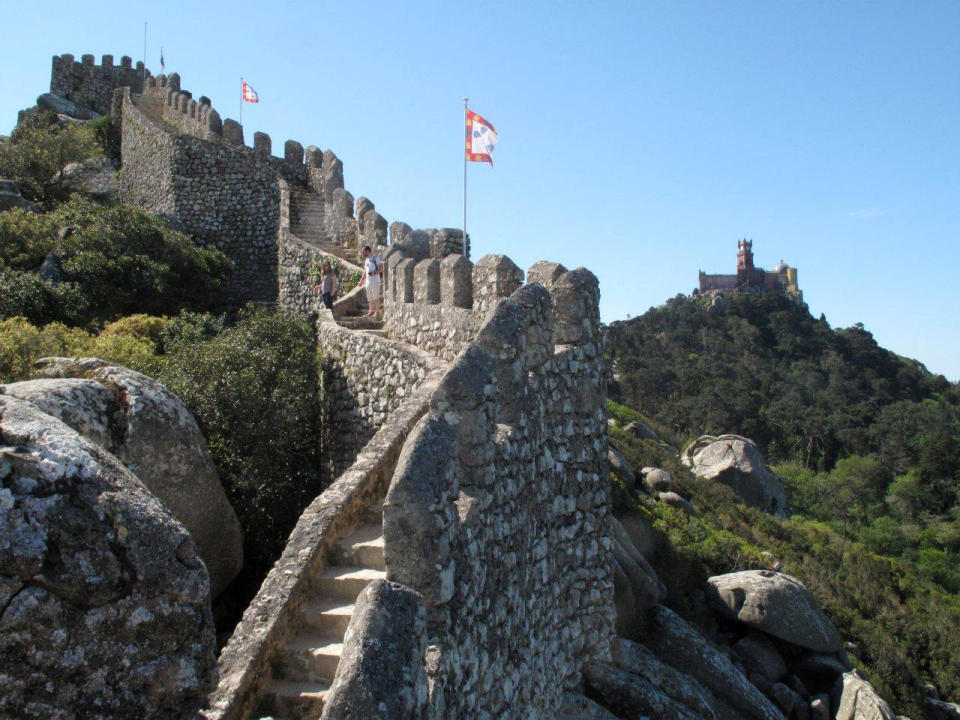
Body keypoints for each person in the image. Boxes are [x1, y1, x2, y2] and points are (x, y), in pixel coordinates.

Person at [360, 245, 384, 318]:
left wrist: (374, 273)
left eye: (364, 252)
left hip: (375, 281)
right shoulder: (367, 260)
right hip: (368, 282)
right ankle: (371, 311)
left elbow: (381, 268)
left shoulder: (375, 258)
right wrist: (361, 280)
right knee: (370, 298)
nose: (363, 253)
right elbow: (365, 271)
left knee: (376, 297)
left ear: (367, 251)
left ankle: (377, 312)